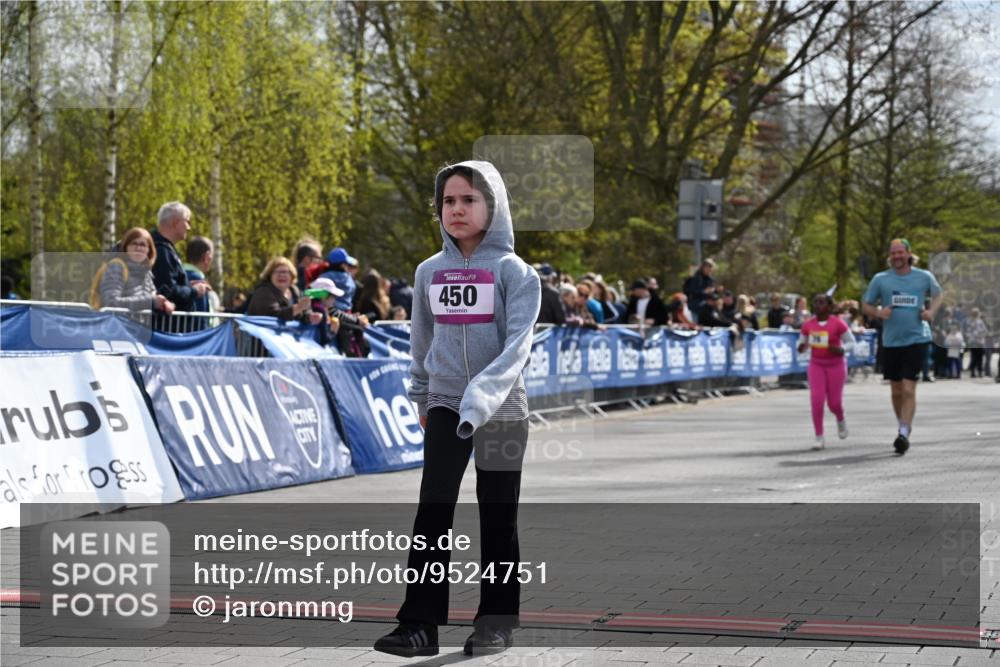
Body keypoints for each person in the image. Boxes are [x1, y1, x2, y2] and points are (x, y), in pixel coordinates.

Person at [374, 161, 540, 658]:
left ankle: (496, 622)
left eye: (469, 199)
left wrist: (482, 396)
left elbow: (517, 350)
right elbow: (421, 342)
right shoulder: (429, 272)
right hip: (446, 406)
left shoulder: (516, 273)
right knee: (433, 508)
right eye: (448, 201)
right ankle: (418, 625)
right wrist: (422, 396)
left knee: (498, 515)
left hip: (501, 410)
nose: (457, 209)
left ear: (494, 205)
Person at [861, 238, 942, 455]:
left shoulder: (923, 277)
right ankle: (903, 426)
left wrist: (931, 312)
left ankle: (904, 432)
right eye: (893, 253)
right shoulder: (881, 279)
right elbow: (866, 304)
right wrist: (879, 313)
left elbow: (938, 294)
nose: (897, 256)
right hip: (891, 341)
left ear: (908, 254)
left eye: (900, 252)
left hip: (917, 339)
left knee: (908, 388)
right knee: (896, 390)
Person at [798, 294, 855, 450]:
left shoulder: (838, 323)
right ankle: (819, 437)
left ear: (829, 306)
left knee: (834, 403)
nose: (817, 305)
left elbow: (851, 342)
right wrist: (801, 347)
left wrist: (841, 349)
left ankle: (840, 418)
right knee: (816, 400)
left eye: (821, 302)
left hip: (836, 365)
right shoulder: (808, 325)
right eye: (815, 302)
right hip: (816, 365)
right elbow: (801, 343)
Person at [151, 202, 211, 328]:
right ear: (175, 222)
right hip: (166, 329)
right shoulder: (161, 250)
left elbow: (166, 284)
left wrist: (187, 286)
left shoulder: (163, 248)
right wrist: (194, 291)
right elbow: (168, 290)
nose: (189, 227)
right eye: (187, 221)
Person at [94, 227, 175, 318]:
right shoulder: (116, 267)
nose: (138, 248)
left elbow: (149, 300)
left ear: (149, 250)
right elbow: (111, 302)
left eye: (143, 245)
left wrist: (163, 304)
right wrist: (150, 302)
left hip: (137, 326)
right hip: (116, 325)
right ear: (126, 247)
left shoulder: (147, 273)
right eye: (134, 243)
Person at [246, 257, 324, 325]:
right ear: (270, 275)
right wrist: (297, 307)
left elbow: (303, 313)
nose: (281, 275)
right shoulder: (263, 292)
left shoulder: (294, 291)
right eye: (277, 272)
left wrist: (310, 317)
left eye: (285, 272)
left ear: (292, 276)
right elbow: (274, 317)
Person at [319, 247, 356, 313]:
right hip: (347, 313)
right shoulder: (349, 279)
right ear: (342, 265)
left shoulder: (324, 277)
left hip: (329, 312)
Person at [963, 308, 988, 378]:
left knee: (979, 358)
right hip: (973, 342)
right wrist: (969, 336)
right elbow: (967, 331)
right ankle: (973, 372)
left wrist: (980, 334)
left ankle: (979, 372)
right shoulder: (969, 322)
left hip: (979, 342)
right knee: (974, 357)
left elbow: (985, 331)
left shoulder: (980, 322)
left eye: (976, 313)